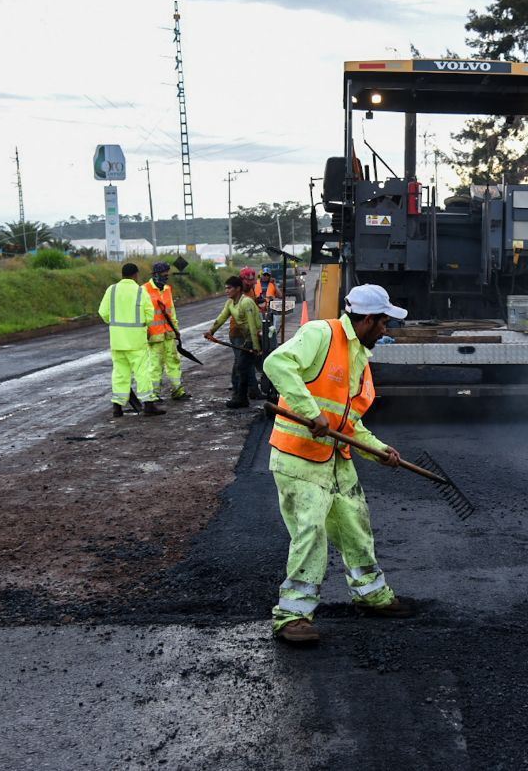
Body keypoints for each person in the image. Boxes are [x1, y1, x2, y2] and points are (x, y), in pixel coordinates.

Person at [261, 283, 413, 643]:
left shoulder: (360, 356)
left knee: (355, 525)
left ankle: (371, 595)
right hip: (299, 456)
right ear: (368, 319)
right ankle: (292, 616)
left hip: (335, 458)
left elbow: (349, 422)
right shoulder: (320, 333)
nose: (385, 330)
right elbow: (276, 363)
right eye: (383, 323)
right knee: (310, 532)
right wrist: (311, 413)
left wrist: (378, 448)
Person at [97, 263, 165, 418]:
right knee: (142, 372)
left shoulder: (111, 290)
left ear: (122, 274)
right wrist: (142, 326)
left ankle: (117, 407)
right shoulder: (141, 291)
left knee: (120, 373)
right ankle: (148, 404)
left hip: (117, 340)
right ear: (135, 275)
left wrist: (115, 323)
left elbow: (103, 312)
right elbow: (149, 315)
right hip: (136, 341)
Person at [204, 276, 262, 409]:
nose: (226, 291)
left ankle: (243, 398)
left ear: (238, 289)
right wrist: (211, 332)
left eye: (229, 288)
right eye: (226, 288)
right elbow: (221, 317)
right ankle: (242, 397)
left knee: (248, 367)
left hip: (258, 338)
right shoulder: (230, 303)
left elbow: (253, 326)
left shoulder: (246, 302)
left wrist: (256, 347)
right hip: (248, 339)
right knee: (241, 367)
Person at [143, 262, 190, 402]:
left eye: (167, 275)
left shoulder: (168, 289)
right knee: (155, 366)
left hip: (169, 334)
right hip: (154, 336)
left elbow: (172, 312)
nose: (166, 278)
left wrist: (176, 330)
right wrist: (144, 333)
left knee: (174, 362)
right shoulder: (144, 290)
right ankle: (154, 394)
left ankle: (178, 390)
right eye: (164, 275)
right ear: (155, 275)